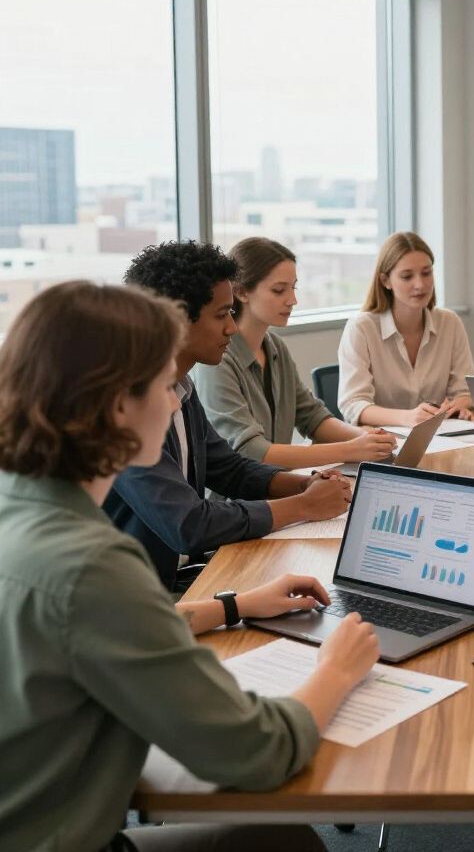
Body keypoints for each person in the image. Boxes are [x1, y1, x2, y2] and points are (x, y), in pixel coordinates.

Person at [0, 280, 380, 852]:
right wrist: (336, 670)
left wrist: (233, 604)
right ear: (117, 405)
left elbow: (76, 632)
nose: (176, 400)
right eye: (162, 384)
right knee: (282, 843)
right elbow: (256, 754)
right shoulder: (94, 563)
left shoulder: (20, 511)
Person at [105, 241, 352, 590]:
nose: (232, 328)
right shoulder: (126, 407)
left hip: (181, 576)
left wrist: (303, 484)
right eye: (222, 315)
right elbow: (189, 525)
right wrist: (303, 506)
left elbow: (229, 469)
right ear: (175, 321)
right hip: (136, 596)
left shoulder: (181, 388)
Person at [193, 236, 397, 470]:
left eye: (293, 287)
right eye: (279, 290)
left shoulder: (275, 347)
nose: (293, 300)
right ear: (241, 292)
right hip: (235, 501)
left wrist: (361, 436)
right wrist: (352, 448)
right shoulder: (218, 360)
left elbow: (312, 417)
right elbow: (251, 451)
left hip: (275, 487)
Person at [338, 231, 474, 427]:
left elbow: (464, 392)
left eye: (426, 273)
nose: (420, 284)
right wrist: (407, 418)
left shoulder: (450, 323)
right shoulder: (361, 329)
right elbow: (353, 404)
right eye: (407, 276)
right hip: (383, 443)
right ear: (386, 281)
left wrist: (459, 405)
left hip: (440, 437)